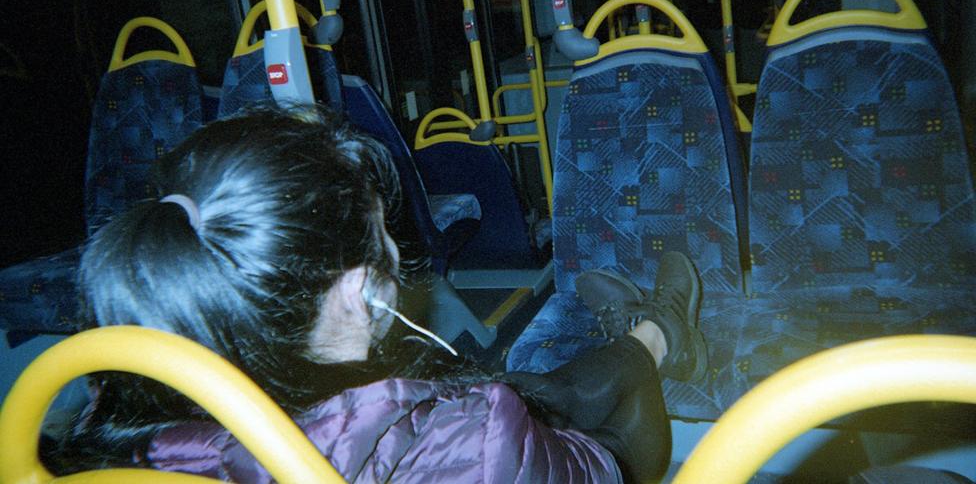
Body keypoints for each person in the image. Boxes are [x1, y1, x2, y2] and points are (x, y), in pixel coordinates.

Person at [47, 104, 708, 483]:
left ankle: (651, 334)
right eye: (379, 233)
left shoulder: (90, 435)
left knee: (538, 393)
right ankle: (659, 336)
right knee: (565, 408)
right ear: (359, 293)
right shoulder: (465, 438)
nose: (394, 249)